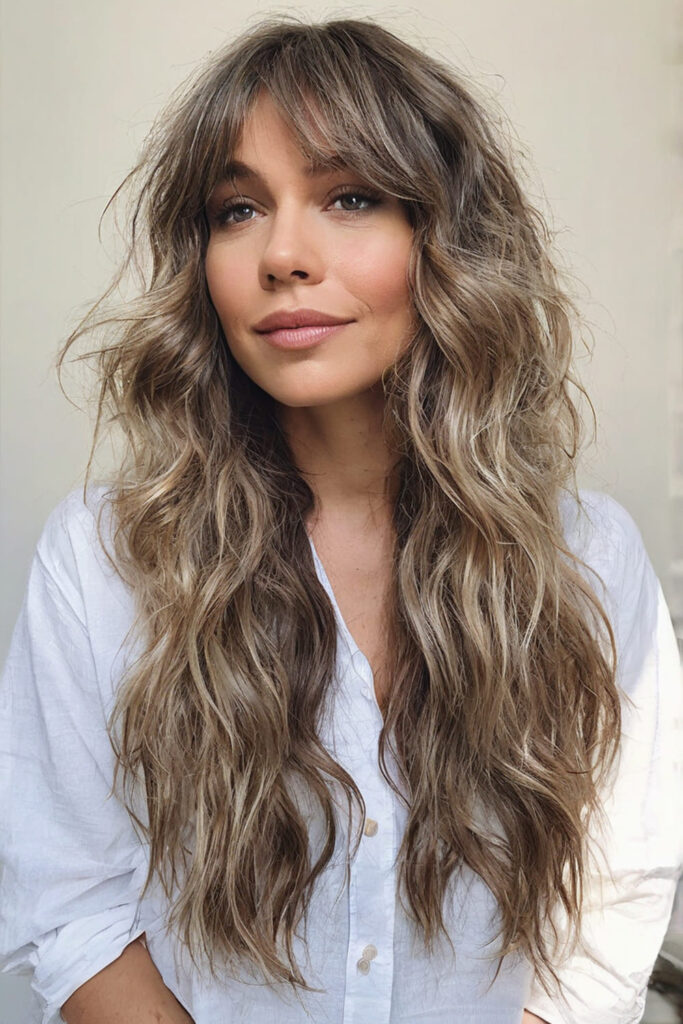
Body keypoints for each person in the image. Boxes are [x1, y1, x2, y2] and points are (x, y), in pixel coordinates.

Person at [1, 14, 681, 1024]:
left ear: (444, 238)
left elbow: (609, 902)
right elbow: (71, 904)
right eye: (236, 210)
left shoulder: (587, 558)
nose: (281, 253)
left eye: (349, 196)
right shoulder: (105, 559)